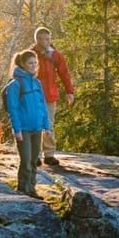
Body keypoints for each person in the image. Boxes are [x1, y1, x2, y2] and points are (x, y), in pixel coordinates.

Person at [4, 49, 51, 199]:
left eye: (35, 63)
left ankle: (31, 189)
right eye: (30, 63)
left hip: (37, 128)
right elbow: (13, 109)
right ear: (23, 64)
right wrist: (16, 130)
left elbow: (42, 105)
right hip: (23, 129)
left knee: (34, 160)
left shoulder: (37, 83)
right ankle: (23, 189)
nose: (34, 66)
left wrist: (46, 126)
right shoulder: (15, 85)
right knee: (26, 161)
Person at [30, 26, 75, 166]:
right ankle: (35, 155)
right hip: (33, 96)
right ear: (38, 40)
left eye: (50, 39)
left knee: (48, 125)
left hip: (50, 95)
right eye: (46, 39)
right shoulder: (30, 55)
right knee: (35, 125)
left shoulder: (55, 55)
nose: (49, 42)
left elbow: (64, 74)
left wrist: (70, 92)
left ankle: (49, 155)